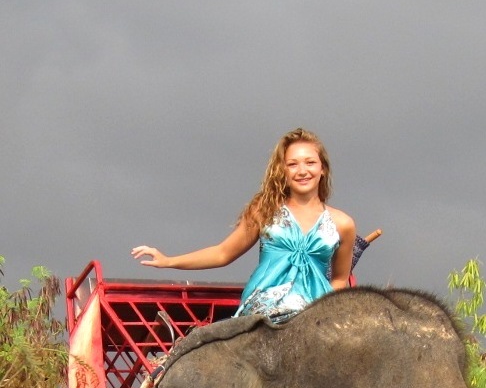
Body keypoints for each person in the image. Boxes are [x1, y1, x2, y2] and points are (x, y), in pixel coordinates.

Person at [131, 128, 356, 322]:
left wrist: (326, 310)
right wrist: (169, 261)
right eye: (292, 164)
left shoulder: (343, 224)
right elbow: (223, 253)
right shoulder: (264, 210)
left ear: (323, 168)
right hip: (265, 311)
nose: (302, 171)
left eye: (310, 162)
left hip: (316, 315)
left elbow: (339, 279)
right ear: (282, 171)